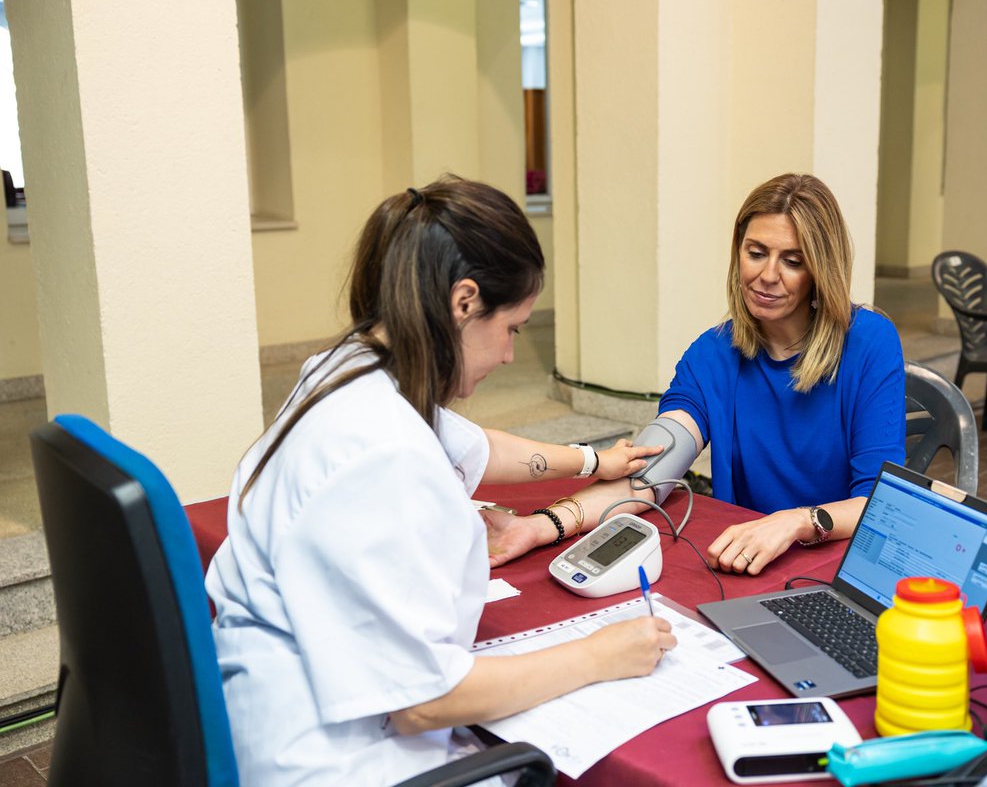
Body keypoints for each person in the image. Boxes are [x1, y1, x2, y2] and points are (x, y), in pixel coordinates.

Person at [205, 176, 676, 786]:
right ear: (464, 302)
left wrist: (592, 461)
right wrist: (598, 655)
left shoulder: (346, 370)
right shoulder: (388, 454)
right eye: (511, 328)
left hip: (261, 713)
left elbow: (477, 447)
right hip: (337, 762)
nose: (510, 355)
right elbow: (422, 703)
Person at [485, 173, 905, 577]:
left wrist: (796, 521)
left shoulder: (869, 342)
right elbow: (646, 475)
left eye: (792, 261)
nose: (767, 276)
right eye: (756, 253)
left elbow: (881, 504)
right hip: (745, 559)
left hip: (840, 562)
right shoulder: (713, 354)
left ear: (820, 270)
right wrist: (539, 526)